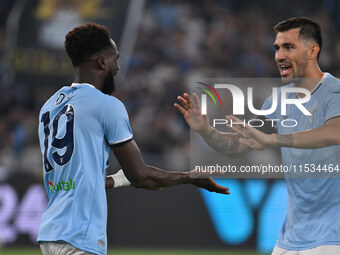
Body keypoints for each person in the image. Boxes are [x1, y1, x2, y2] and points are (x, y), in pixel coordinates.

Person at [37, 23, 229, 255]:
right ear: (102, 62)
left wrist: (119, 179)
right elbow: (141, 176)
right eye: (115, 58)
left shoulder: (50, 107)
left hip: (50, 234)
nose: (118, 66)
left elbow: (76, 179)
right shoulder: (107, 105)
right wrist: (191, 177)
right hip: (80, 234)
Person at [175, 17, 340, 255]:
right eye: (277, 48)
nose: (279, 55)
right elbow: (238, 146)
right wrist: (204, 130)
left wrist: (273, 140)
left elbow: (335, 132)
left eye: (289, 47)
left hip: (332, 236)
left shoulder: (334, 92)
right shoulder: (278, 100)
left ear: (313, 50)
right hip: (290, 238)